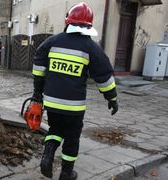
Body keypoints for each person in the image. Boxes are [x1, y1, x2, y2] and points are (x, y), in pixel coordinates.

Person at [31, 2, 118, 180]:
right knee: (71, 138)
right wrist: (112, 99)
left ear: (68, 22)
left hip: (52, 101)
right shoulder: (92, 48)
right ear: (89, 25)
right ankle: (66, 173)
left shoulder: (51, 42)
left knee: (55, 130)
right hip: (74, 107)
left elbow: (38, 66)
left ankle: (47, 156)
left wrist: (37, 93)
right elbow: (104, 77)